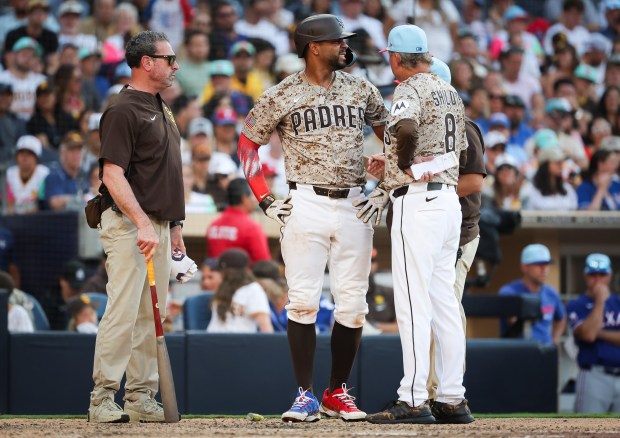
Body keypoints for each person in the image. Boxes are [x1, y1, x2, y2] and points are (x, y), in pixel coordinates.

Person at [236, 14, 388, 422]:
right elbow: (247, 145)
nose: (344, 46)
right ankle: (304, 394)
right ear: (313, 46)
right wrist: (265, 198)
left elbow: (395, 136)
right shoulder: (282, 93)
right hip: (305, 201)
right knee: (302, 301)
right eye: (337, 41)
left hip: (356, 202)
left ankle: (336, 392)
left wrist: (386, 179)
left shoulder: (361, 88)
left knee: (354, 305)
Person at [364, 25, 472, 425]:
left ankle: (412, 398)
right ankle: (452, 397)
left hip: (418, 203)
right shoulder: (450, 91)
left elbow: (407, 129)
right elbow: (452, 151)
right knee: (444, 302)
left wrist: (403, 164)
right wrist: (396, 161)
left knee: (412, 303)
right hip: (446, 203)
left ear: (396, 57)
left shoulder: (408, 87)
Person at [87, 31, 186, 424]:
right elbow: (112, 174)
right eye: (169, 58)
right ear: (147, 62)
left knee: (151, 315)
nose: (174, 65)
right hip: (130, 225)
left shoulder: (160, 106)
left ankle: (141, 396)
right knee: (124, 311)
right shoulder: (123, 109)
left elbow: (164, 172)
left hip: (157, 225)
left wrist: (173, 226)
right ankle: (102, 397)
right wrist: (143, 222)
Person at [567, 253, 620, 413]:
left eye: (602, 274)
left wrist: (599, 332)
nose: (598, 279)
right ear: (585, 275)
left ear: (609, 276)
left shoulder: (618, 303)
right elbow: (588, 335)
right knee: (589, 429)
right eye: (593, 275)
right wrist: (600, 301)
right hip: (594, 374)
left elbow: (592, 332)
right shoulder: (577, 304)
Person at [499, 244, 567, 345]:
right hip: (515, 354)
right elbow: (512, 322)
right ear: (524, 267)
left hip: (543, 354)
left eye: (546, 264)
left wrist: (554, 340)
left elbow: (561, 318)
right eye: (539, 264)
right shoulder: (509, 292)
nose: (544, 269)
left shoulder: (551, 293)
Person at [206, 248, 273, 333]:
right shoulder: (221, 290)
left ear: (228, 272)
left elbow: (265, 326)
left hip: (240, 342)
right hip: (212, 340)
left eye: (222, 271)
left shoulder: (253, 289)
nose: (220, 274)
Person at [206, 177, 271, 264]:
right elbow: (264, 263)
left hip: (217, 276)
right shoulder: (251, 228)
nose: (254, 200)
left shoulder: (213, 226)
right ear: (244, 198)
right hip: (241, 276)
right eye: (252, 196)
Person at [6, 135, 50, 214]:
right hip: (12, 219)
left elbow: (44, 203)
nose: (24, 157)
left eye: (29, 154)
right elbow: (8, 203)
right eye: (21, 153)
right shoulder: (9, 173)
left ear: (37, 158)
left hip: (36, 219)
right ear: (16, 156)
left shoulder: (44, 174)